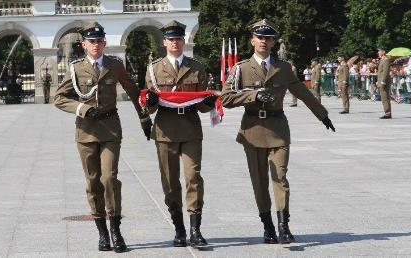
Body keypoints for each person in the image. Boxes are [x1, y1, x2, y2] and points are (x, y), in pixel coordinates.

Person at [219, 19, 336, 245]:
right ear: (252, 40)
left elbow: (303, 93)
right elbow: (226, 98)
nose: (264, 41)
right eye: (260, 37)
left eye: (268, 38)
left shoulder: (283, 68)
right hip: (252, 130)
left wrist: (323, 115)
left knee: (280, 177)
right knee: (260, 181)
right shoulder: (240, 69)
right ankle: (268, 226)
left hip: (278, 130)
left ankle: (284, 226)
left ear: (273, 42)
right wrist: (253, 96)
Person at [52, 21, 148, 253]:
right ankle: (102, 232)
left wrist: (145, 118)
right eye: (91, 42)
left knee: (110, 178)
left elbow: (133, 91)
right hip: (85, 131)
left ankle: (116, 229)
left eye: (99, 41)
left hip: (110, 129)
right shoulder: (75, 69)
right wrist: (82, 109)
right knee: (93, 182)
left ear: (104, 43)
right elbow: (59, 98)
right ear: (84, 45)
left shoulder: (115, 65)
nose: (96, 45)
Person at [142, 20, 213, 247]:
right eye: (171, 39)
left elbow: (201, 105)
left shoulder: (197, 67)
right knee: (170, 182)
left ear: (184, 41)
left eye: (179, 39)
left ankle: (195, 229)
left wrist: (209, 103)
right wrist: (151, 102)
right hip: (165, 130)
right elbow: (149, 107)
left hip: (191, 128)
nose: (175, 42)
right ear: (164, 42)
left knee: (193, 177)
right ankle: (179, 228)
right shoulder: (153, 69)